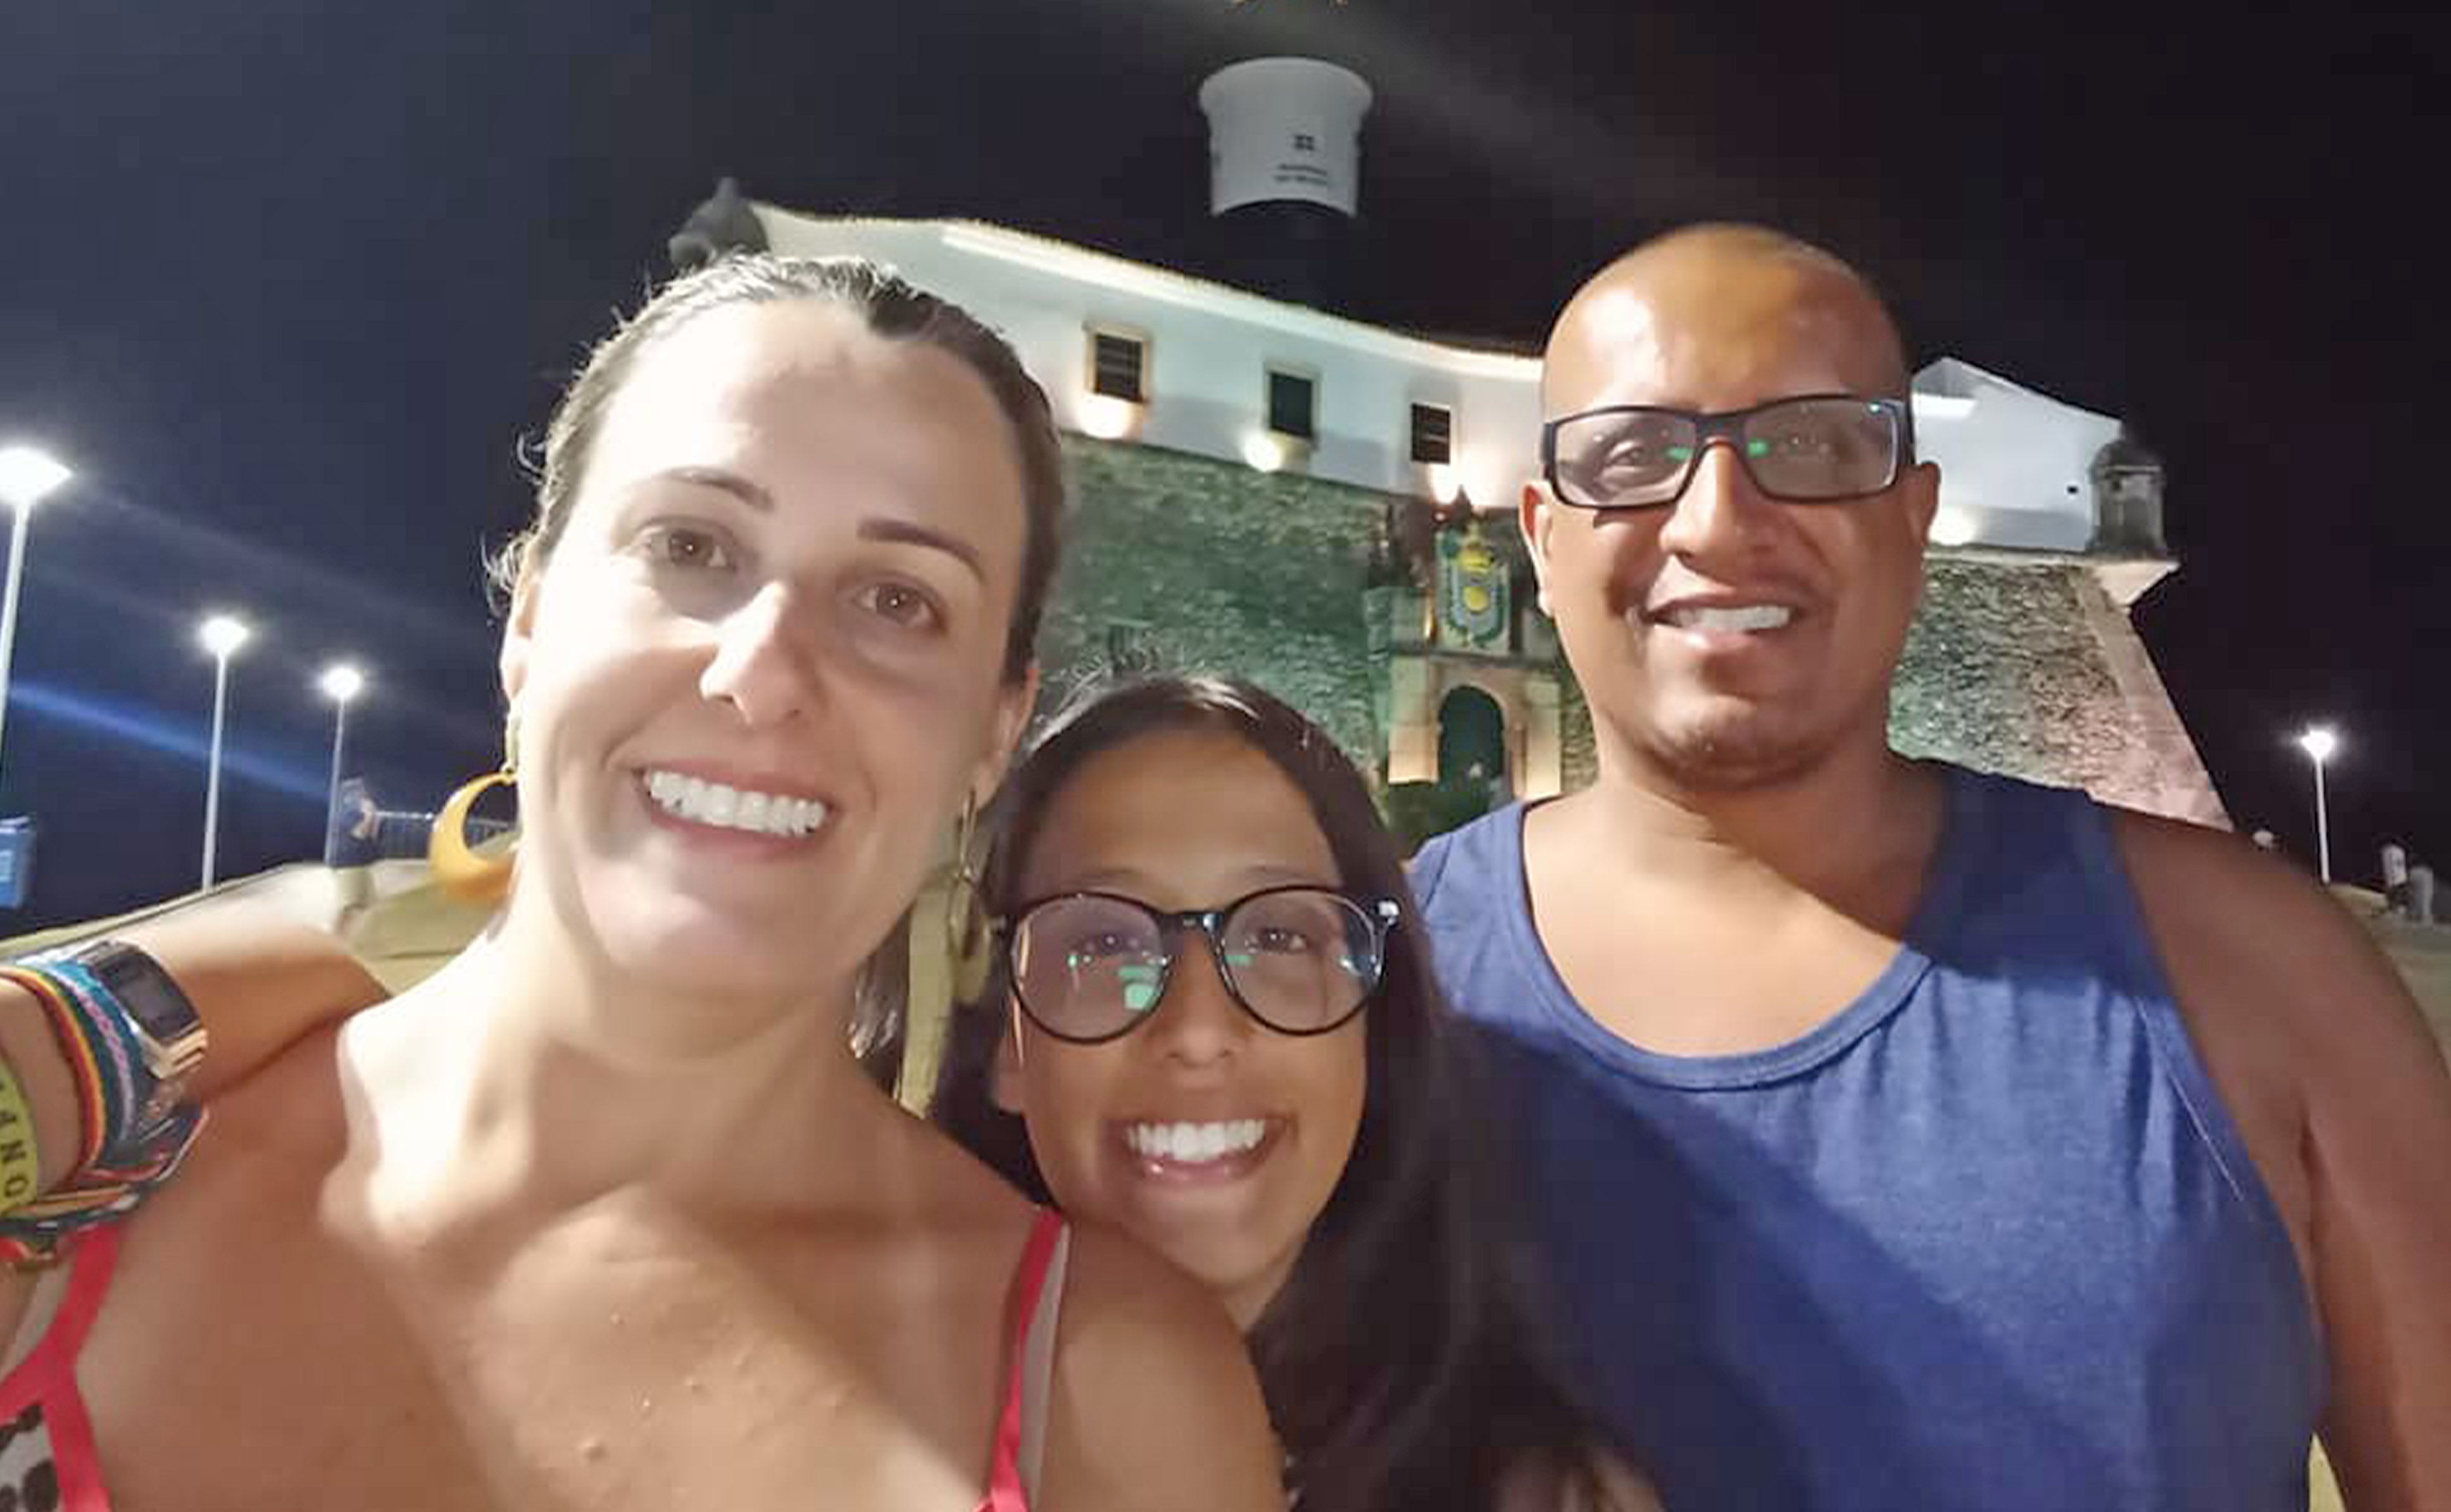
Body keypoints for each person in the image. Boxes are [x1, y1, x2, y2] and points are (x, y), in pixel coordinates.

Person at [0, 254, 1284, 1511]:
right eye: (691, 543)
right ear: (530, 618)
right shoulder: (64, 1186)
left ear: (995, 731)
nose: (762, 670)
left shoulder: (1108, 1405)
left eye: (897, 600)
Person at [1411, 223, 2451, 1508]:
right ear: (1542, 536)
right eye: (1632, 456)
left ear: (1914, 520)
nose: (1719, 519)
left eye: (1813, 445)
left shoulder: (2260, 973)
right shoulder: (1369, 995)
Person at [925, 675, 1657, 1511]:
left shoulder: (1542, 1497)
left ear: (1375, 1029)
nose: (1198, 1029)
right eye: (1102, 945)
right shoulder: (868, 1430)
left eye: (1277, 936)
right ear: (1005, 1043)